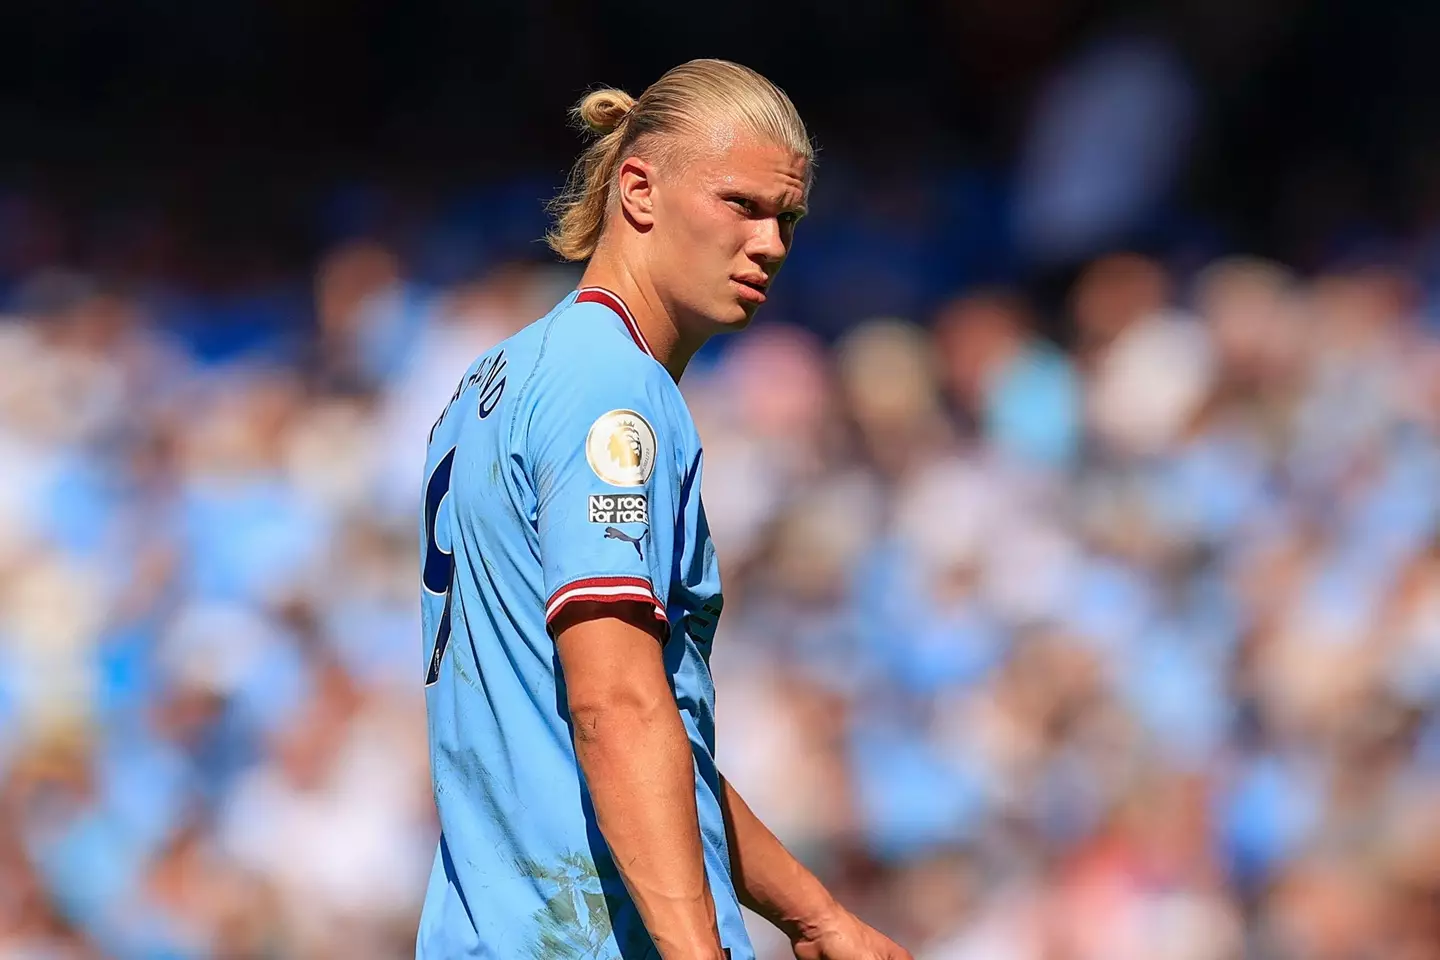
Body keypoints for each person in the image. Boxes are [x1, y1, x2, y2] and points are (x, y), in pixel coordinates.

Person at [414, 59, 911, 960]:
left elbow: (640, 729)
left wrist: (816, 916)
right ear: (638, 189)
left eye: (786, 217)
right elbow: (616, 704)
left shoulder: (493, 381)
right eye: (742, 205)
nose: (771, 244)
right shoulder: (613, 391)